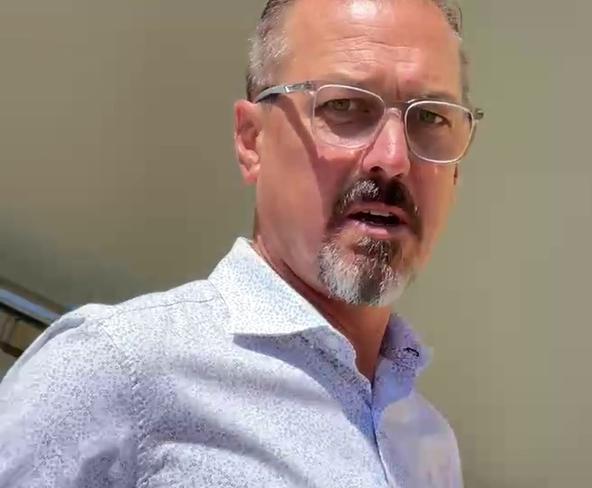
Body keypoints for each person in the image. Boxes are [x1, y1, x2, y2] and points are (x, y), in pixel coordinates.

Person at [0, 0, 483, 486]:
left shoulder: (429, 445)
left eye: (431, 118)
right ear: (252, 141)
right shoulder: (117, 368)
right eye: (345, 105)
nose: (394, 158)